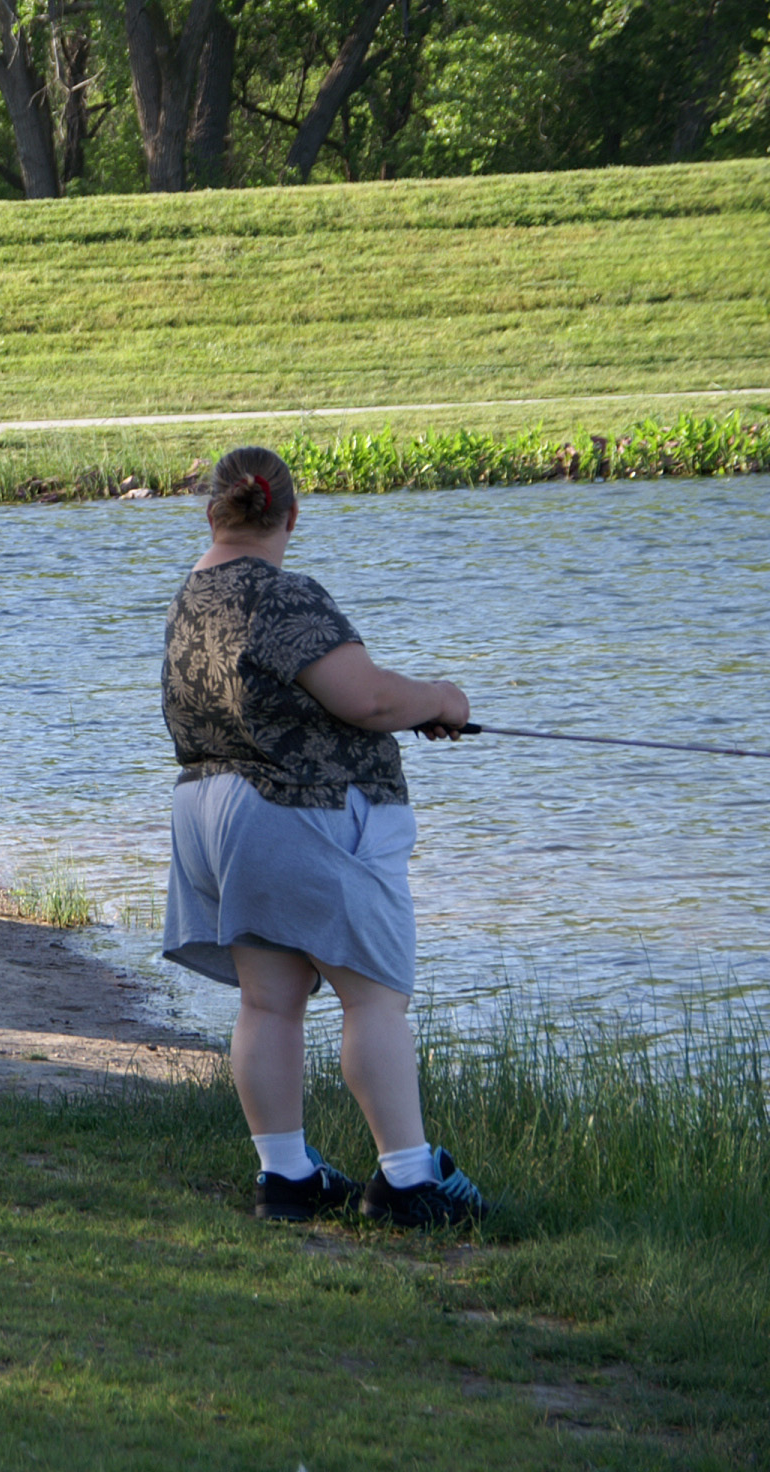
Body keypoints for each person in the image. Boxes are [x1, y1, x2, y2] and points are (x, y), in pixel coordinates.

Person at [160, 446, 486, 1228]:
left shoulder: (189, 598)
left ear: (212, 512)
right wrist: (441, 697)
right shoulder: (284, 596)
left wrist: (412, 711)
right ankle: (410, 1182)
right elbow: (368, 699)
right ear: (291, 518)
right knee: (373, 995)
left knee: (269, 1005)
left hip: (210, 810)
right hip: (294, 812)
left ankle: (289, 1178)